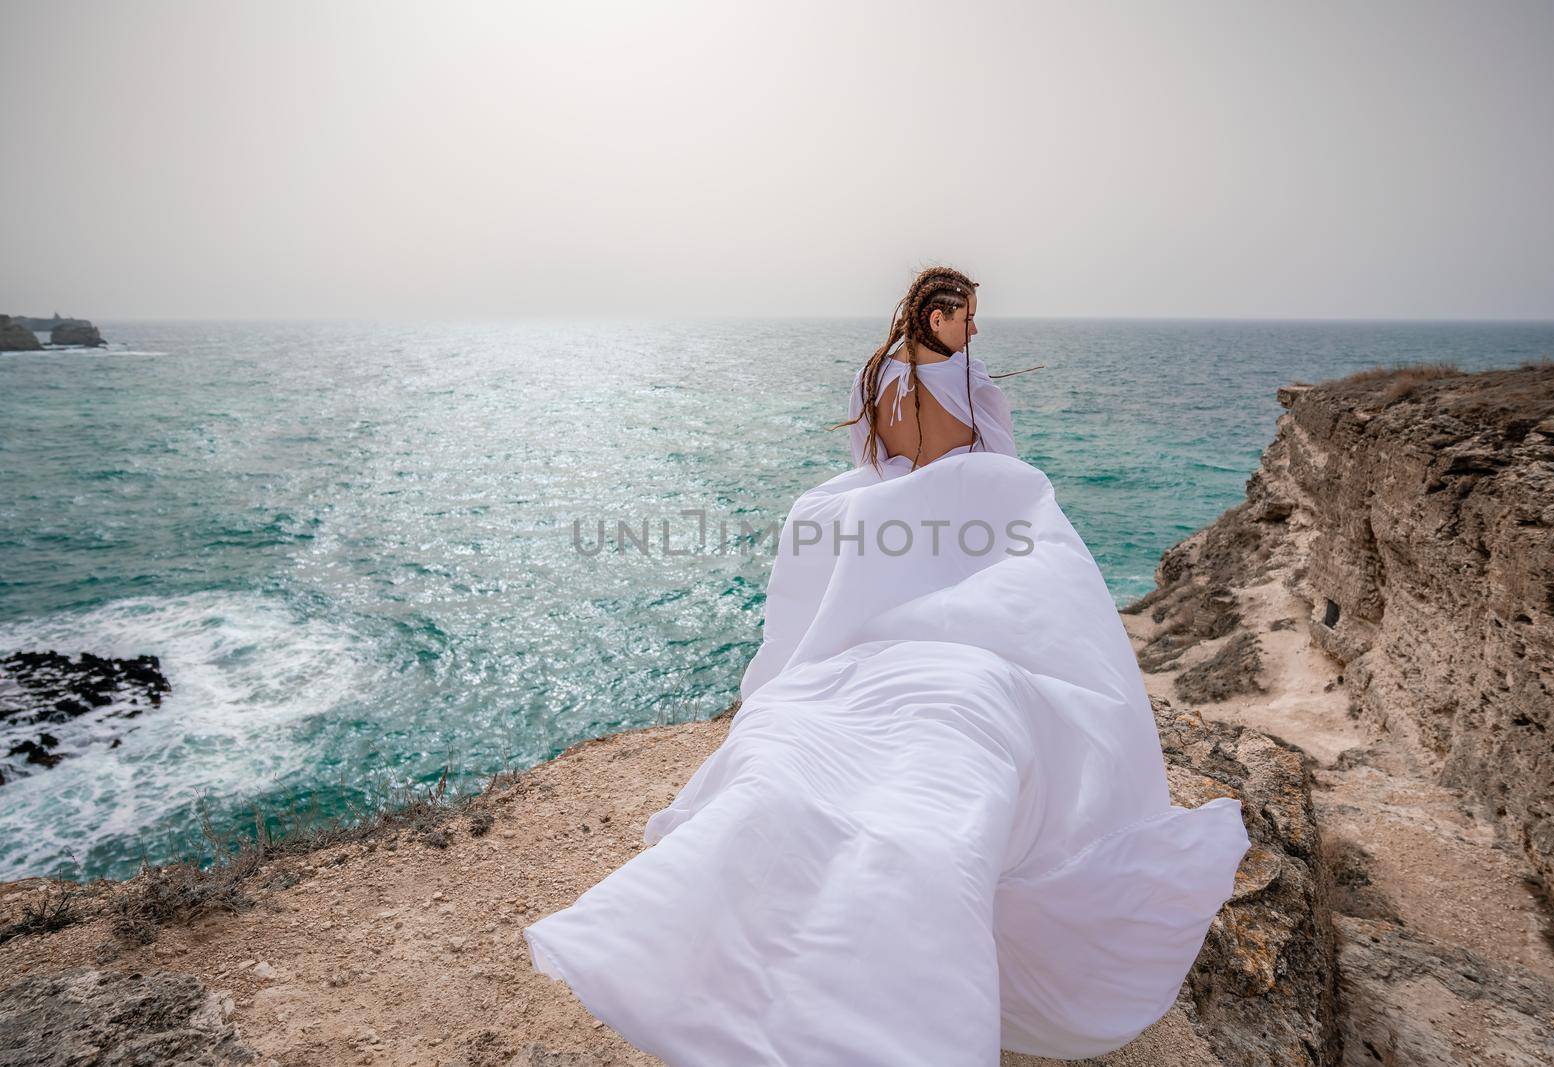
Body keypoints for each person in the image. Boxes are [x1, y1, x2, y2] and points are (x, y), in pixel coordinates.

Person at [524, 267, 1252, 1065]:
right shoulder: (968, 381)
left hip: (888, 525)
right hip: (959, 528)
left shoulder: (873, 374)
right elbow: (998, 461)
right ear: (939, 315)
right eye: (969, 319)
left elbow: (870, 458)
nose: (976, 334)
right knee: (1041, 634)